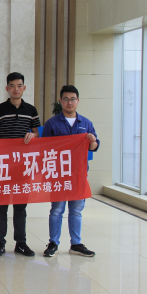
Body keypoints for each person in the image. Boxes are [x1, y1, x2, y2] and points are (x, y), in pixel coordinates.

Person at [42, 85, 99, 258]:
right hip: (58, 175)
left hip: (78, 175)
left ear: (78, 101)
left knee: (76, 211)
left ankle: (76, 244)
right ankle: (53, 242)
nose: (69, 102)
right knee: (57, 210)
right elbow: (44, 148)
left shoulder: (86, 123)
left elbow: (94, 147)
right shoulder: (52, 123)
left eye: (72, 99)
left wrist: (92, 141)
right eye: (66, 99)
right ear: (61, 101)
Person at [0, 72, 41, 257]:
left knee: (20, 206)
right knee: (1, 205)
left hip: (23, 166)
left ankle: (21, 243)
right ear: (7, 88)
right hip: (4, 165)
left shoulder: (31, 110)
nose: (16, 89)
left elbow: (37, 134)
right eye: (12, 86)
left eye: (19, 86)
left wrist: (32, 135)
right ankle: (0, 243)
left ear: (24, 88)